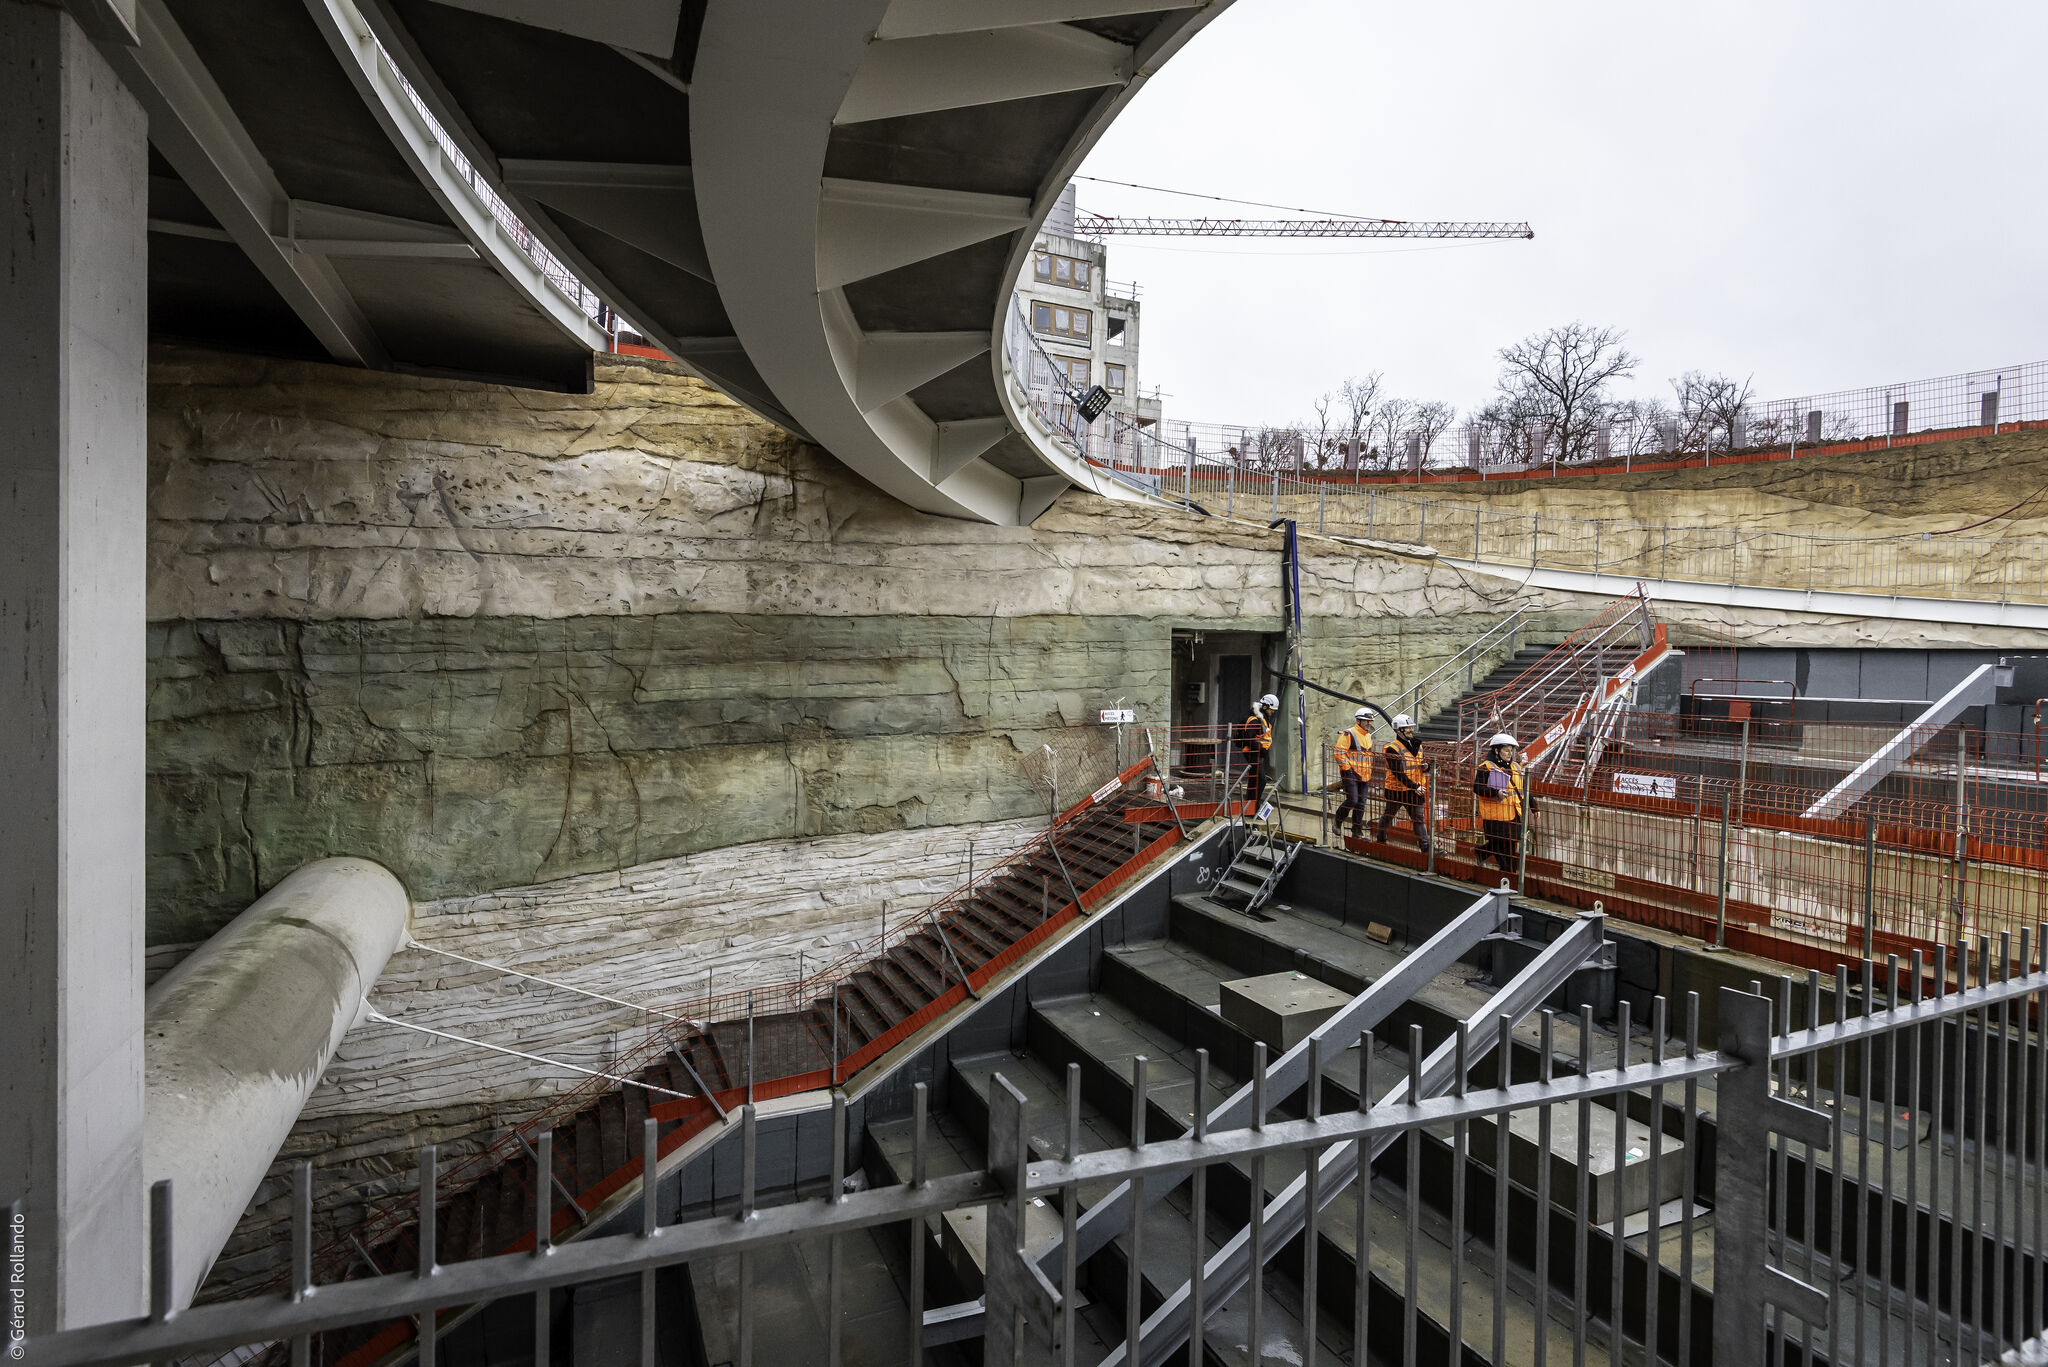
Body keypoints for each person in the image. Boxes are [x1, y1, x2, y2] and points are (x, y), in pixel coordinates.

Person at [1376, 713, 1431, 855]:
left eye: (1411, 727)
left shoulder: (1418, 745)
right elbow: (1398, 773)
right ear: (1398, 730)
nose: (1411, 730)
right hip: (1397, 789)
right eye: (1407, 728)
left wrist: (1426, 767)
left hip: (1413, 790)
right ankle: (1380, 840)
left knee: (1418, 819)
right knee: (1389, 815)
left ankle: (1425, 848)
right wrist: (1415, 786)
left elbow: (1422, 763)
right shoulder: (1392, 748)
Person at [1473, 732, 1526, 875]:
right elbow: (1477, 788)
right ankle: (1508, 876)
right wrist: (1495, 793)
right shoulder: (1487, 767)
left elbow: (1522, 790)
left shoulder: (1516, 767)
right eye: (1506, 750)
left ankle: (1482, 853)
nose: (1510, 754)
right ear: (1496, 751)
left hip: (1513, 814)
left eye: (1511, 750)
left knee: (1509, 847)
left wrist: (1534, 807)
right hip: (1495, 816)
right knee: (1502, 849)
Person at [1331, 707, 1375, 838]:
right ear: (1358, 720)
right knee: (1352, 800)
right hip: (1350, 773)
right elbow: (1339, 753)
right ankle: (1337, 821)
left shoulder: (1368, 736)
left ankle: (1357, 830)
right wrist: (1348, 770)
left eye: (1370, 721)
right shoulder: (1348, 733)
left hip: (1365, 774)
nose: (1369, 723)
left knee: (1361, 803)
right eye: (1366, 721)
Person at [1236, 692, 1279, 806]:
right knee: (1260, 780)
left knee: (1255, 780)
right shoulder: (1255, 719)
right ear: (1265, 707)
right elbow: (1250, 738)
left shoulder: (1261, 718)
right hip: (1253, 752)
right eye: (1271, 710)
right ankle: (1253, 807)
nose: (1272, 712)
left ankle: (1250, 806)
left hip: (1257, 753)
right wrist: (1261, 749)